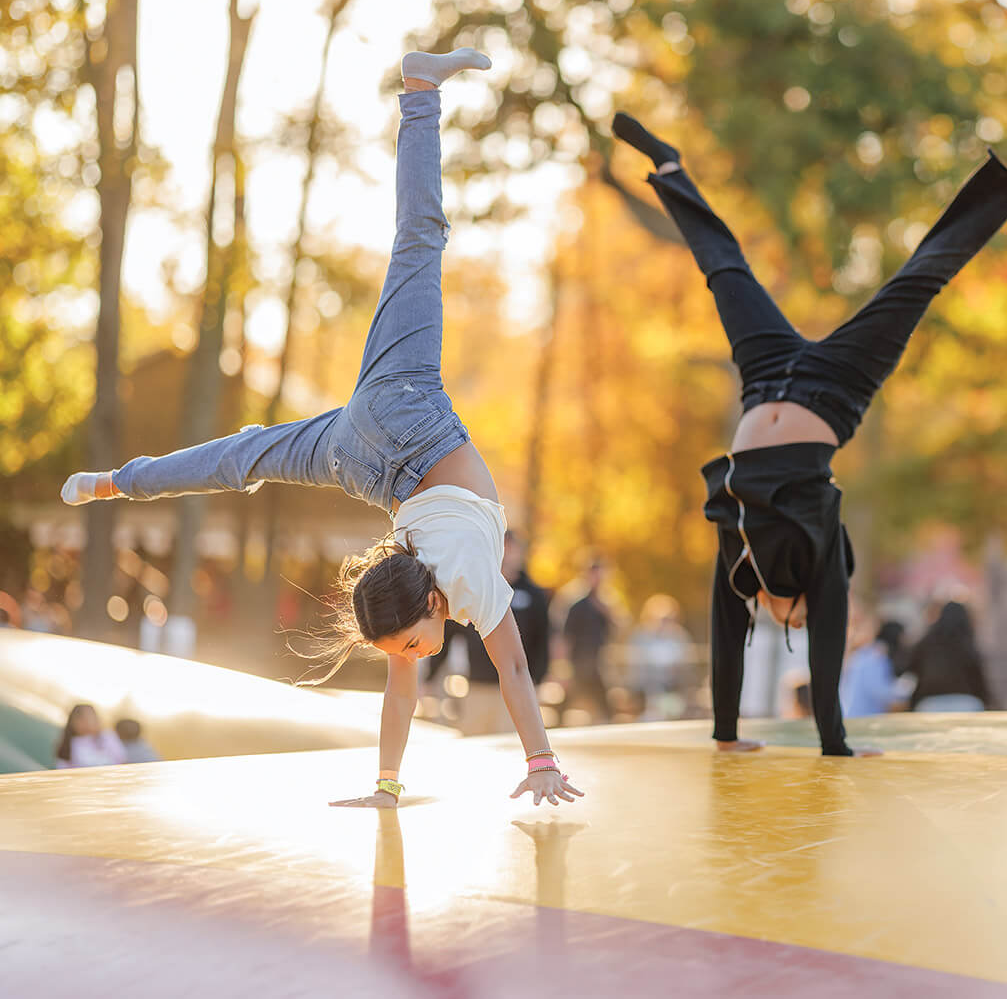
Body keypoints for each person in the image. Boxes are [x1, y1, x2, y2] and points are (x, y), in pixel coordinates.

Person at [60, 49, 581, 810]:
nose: (404, 661)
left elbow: (513, 673)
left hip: (402, 425)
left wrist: (526, 765)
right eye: (401, 650)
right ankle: (118, 481)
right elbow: (463, 681)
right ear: (431, 606)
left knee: (420, 242)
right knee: (248, 455)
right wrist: (417, 782)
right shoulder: (426, 591)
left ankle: (421, 91)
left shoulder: (454, 587)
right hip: (366, 454)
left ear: (428, 607)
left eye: (399, 647)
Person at [612, 111, 1007, 755]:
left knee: (727, 275)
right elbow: (830, 638)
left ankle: (668, 168)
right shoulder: (817, 554)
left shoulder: (742, 567)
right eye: (795, 620)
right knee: (917, 281)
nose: (794, 622)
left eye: (790, 623)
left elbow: (727, 637)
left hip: (766, 376)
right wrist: (835, 744)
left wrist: (726, 735)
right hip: (836, 388)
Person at [425, 528, 551, 735]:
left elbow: (543, 639)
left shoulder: (533, 594)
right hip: (477, 685)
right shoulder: (474, 589)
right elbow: (449, 633)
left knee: (511, 745)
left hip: (517, 688)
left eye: (511, 548)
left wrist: (536, 681)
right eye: (502, 548)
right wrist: (430, 675)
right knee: (476, 744)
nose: (506, 555)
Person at [907, 600, 992, 712]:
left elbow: (912, 670)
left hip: (929, 704)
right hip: (966, 703)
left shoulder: (926, 642)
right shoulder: (967, 644)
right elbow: (978, 678)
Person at [562, 556, 614, 722]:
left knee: (602, 702)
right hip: (579, 661)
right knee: (571, 700)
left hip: (597, 660)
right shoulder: (577, 606)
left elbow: (616, 630)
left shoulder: (605, 605)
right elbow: (566, 636)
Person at [840, 618, 905, 718]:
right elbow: (879, 690)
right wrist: (903, 690)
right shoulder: (876, 657)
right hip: (861, 716)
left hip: (852, 713)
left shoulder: (865, 653)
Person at [55, 704, 127, 769]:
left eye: (90, 717)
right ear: (72, 722)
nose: (87, 722)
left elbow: (122, 761)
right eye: (81, 718)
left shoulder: (108, 737)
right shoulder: (69, 744)